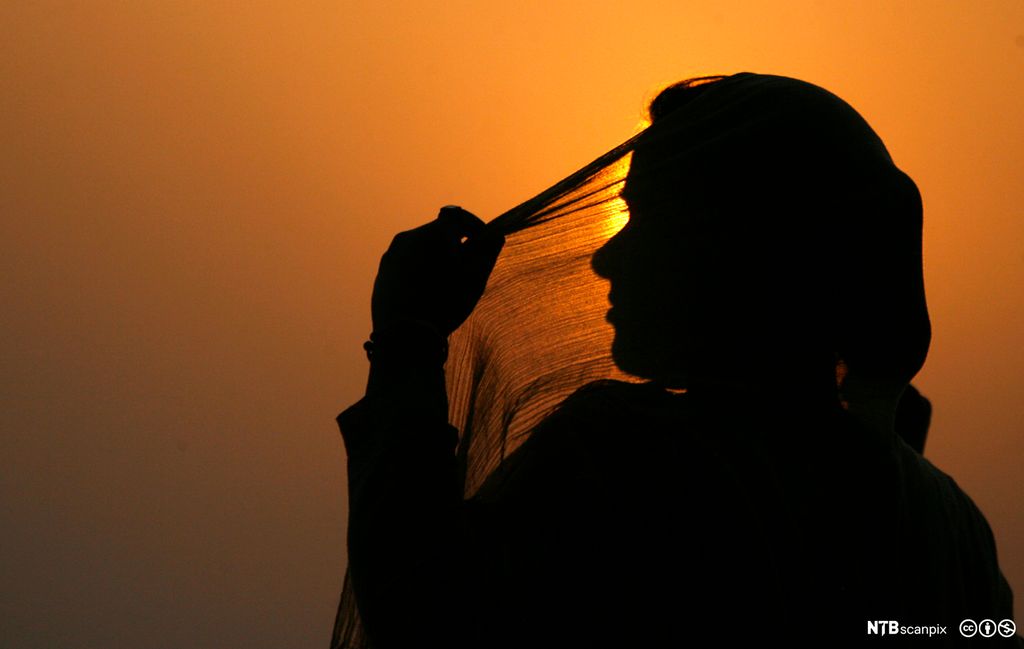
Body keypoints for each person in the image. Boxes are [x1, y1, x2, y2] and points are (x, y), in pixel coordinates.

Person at [333, 73, 1020, 648]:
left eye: (644, 219)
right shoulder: (952, 530)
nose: (606, 255)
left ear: (728, 247)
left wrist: (407, 342)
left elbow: (427, 612)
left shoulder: (628, 457)